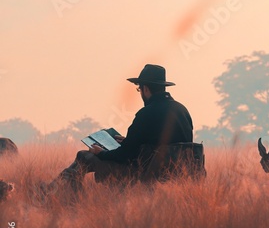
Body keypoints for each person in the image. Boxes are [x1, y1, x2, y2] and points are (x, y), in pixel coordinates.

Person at [42, 64, 194, 193]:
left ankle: (60, 194)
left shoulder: (146, 113)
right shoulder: (182, 111)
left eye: (139, 89)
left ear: (146, 89)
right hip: (174, 173)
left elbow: (124, 156)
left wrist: (101, 153)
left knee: (83, 156)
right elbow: (163, 144)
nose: (140, 93)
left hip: (143, 174)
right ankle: (53, 189)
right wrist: (130, 142)